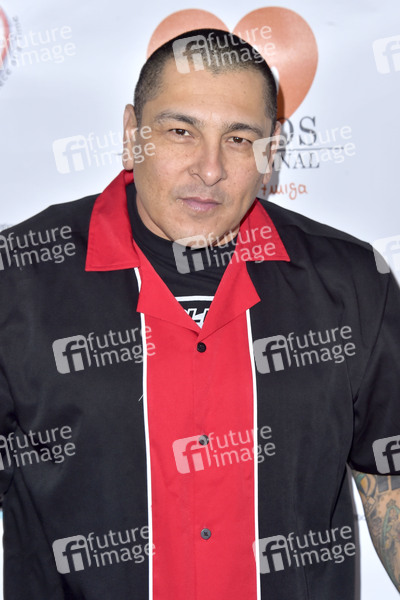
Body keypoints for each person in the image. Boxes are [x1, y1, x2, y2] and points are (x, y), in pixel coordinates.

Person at [0, 27, 399, 600]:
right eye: (180, 132)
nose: (209, 169)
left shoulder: (353, 281)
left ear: (270, 152)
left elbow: (390, 479)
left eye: (238, 139)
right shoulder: (19, 277)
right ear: (132, 136)